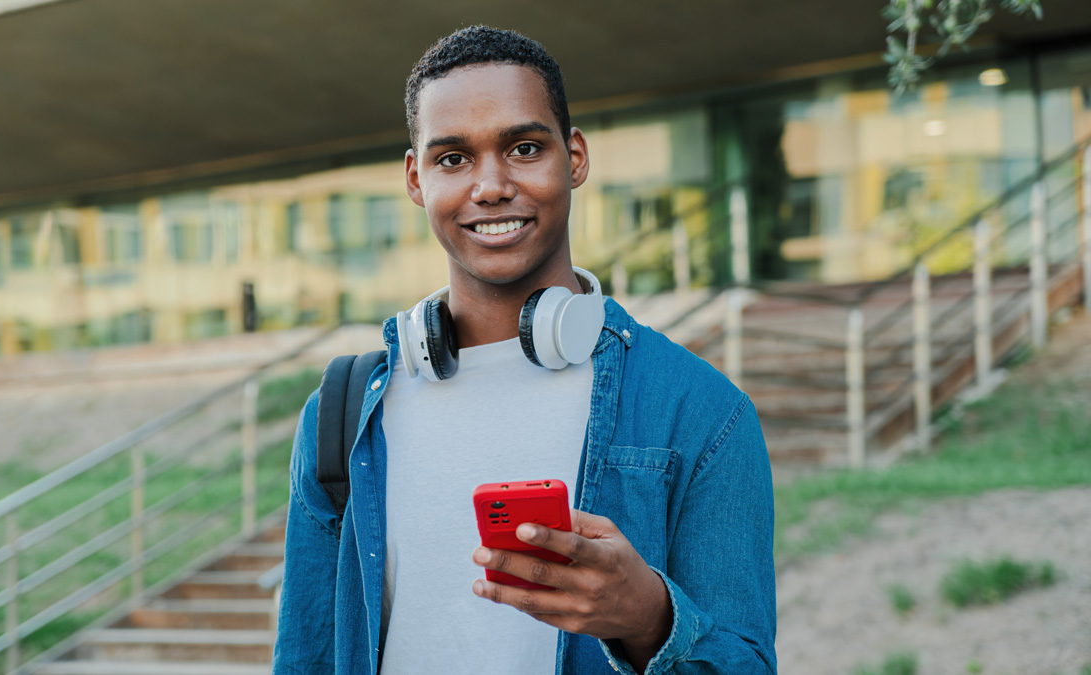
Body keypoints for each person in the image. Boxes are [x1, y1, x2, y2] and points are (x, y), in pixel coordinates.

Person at [272, 25, 776, 675]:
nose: (490, 185)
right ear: (415, 178)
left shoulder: (704, 411)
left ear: (575, 159)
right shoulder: (341, 416)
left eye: (524, 148)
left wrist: (648, 618)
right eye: (452, 158)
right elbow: (306, 655)